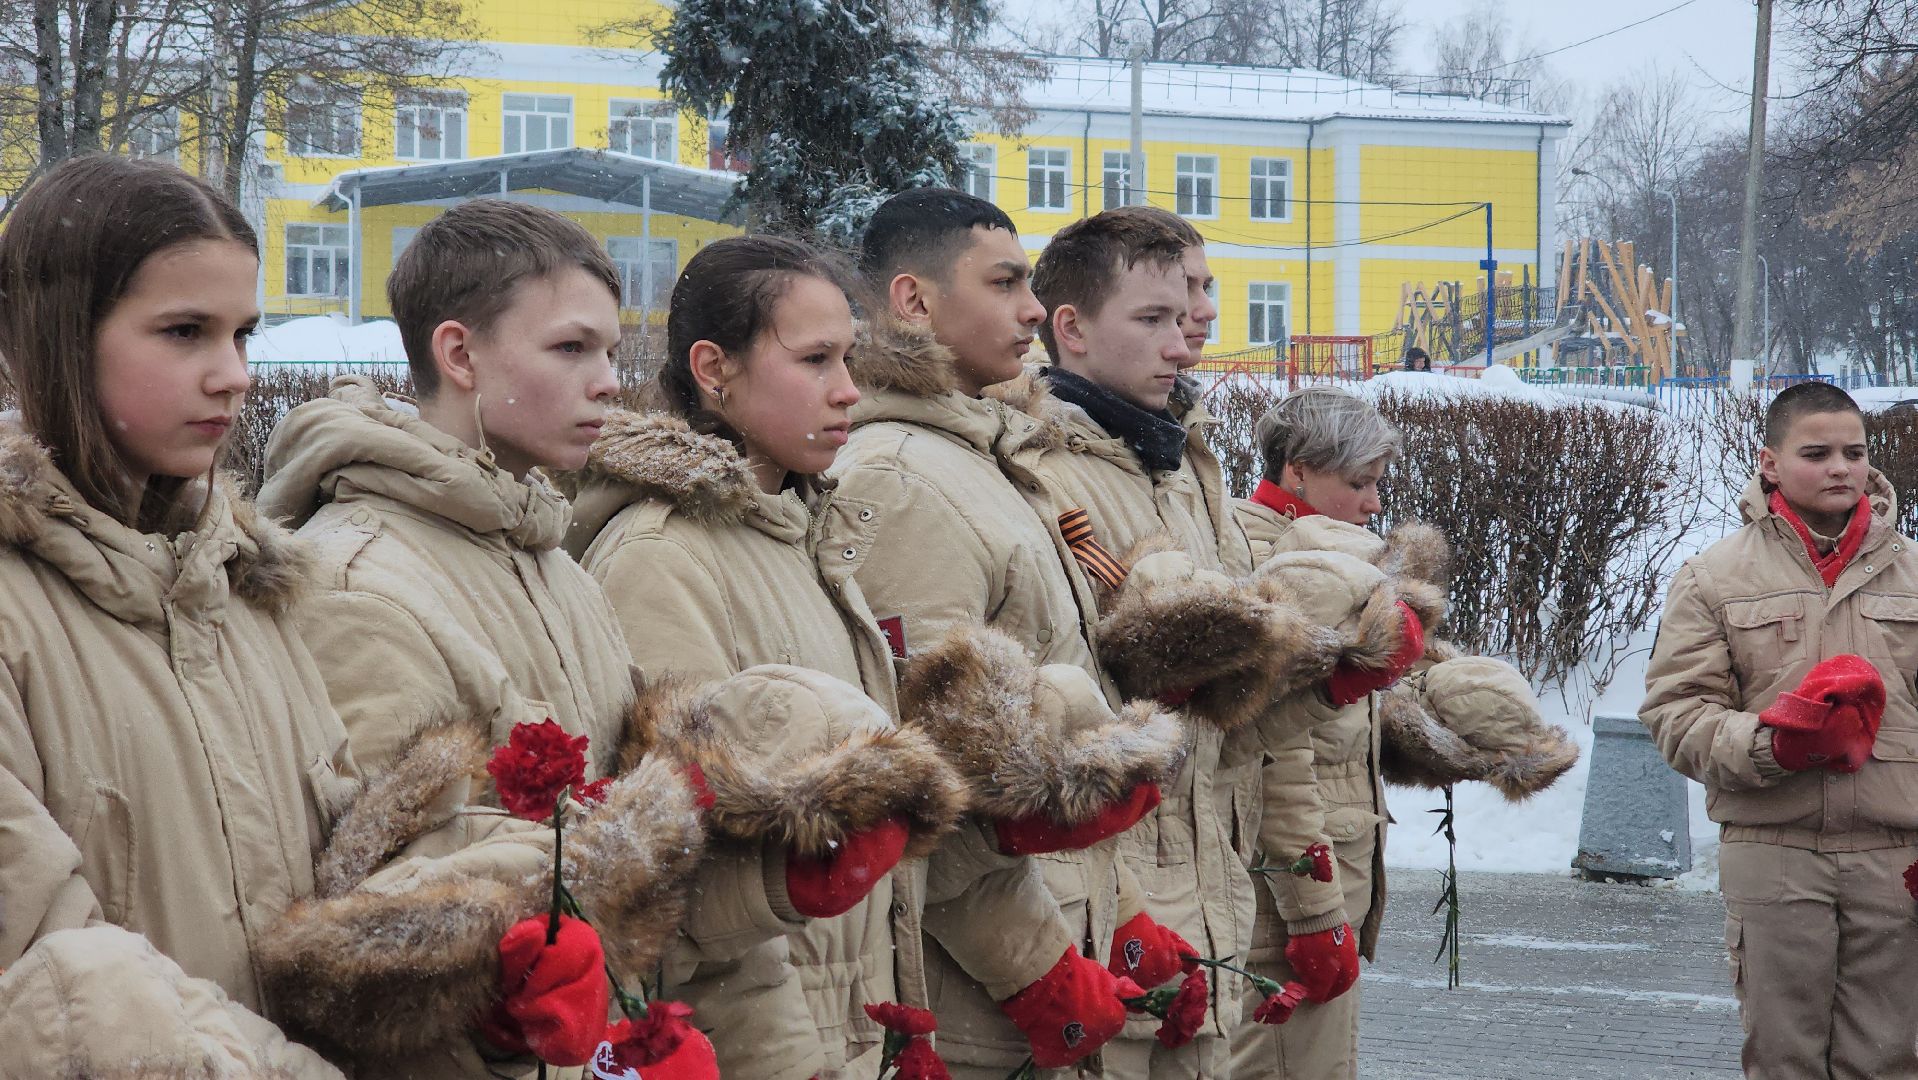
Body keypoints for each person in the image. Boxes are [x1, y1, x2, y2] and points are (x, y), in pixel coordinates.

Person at [0, 155, 703, 1080]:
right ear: (58, 335)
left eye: (244, 335)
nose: (234, 374)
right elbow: (51, 993)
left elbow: (351, 872)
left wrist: (502, 952)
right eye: (183, 332)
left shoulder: (242, 598)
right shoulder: (23, 617)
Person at [566, 234, 1132, 1080]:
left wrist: (896, 1034)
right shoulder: (663, 559)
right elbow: (688, 889)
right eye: (816, 360)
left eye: (850, 357)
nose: (848, 390)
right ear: (714, 370)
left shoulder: (805, 530)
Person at [831, 188, 1190, 1078]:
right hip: (978, 999)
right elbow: (930, 786)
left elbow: (1058, 716)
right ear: (913, 301)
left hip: (1055, 932)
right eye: (1005, 283)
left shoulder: (987, 459)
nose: (1034, 309)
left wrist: (1126, 909)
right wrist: (1038, 973)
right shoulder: (906, 477)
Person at [257, 199, 638, 778]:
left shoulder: (558, 567)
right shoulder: (358, 588)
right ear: (460, 356)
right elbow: (397, 857)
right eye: (571, 348)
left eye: (610, 352)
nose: (609, 382)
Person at [1019, 206, 1266, 1079]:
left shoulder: (1183, 459)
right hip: (1104, 904)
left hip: (1201, 887)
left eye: (1188, 312)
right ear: (1072, 329)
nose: (1185, 344)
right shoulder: (1039, 471)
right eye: (1154, 320)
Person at [1642, 382, 1918, 1079]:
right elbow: (1676, 713)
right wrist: (1772, 746)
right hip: (1774, 850)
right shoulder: (1714, 577)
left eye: (1854, 453)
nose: (1841, 468)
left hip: (1895, 857)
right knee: (1783, 1059)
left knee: (1887, 1059)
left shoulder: (1914, 575)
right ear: (1770, 462)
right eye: (1817, 453)